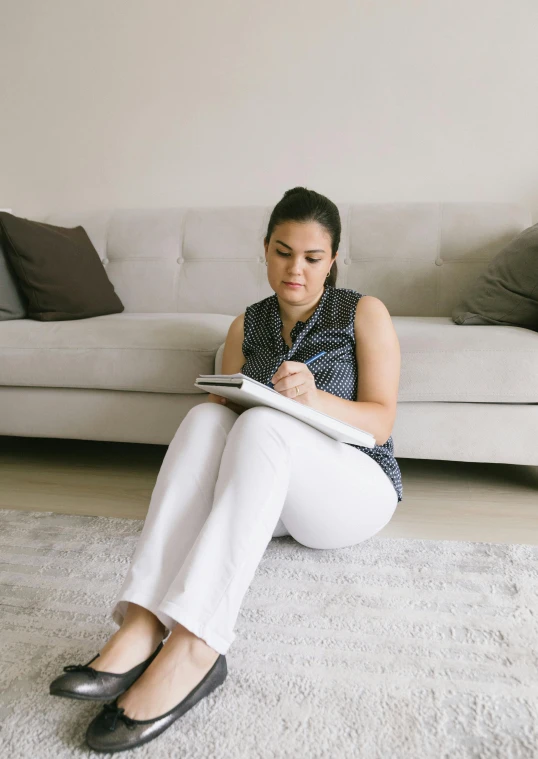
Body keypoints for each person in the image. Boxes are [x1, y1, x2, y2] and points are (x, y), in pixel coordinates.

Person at [49, 186, 402, 752]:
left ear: (332, 260)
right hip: (277, 497)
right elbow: (222, 426)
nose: (296, 269)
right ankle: (142, 622)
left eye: (313, 258)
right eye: (283, 252)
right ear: (265, 249)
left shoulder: (363, 312)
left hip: (355, 492)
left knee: (267, 424)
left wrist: (313, 400)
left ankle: (195, 647)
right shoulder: (247, 325)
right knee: (203, 420)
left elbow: (381, 422)